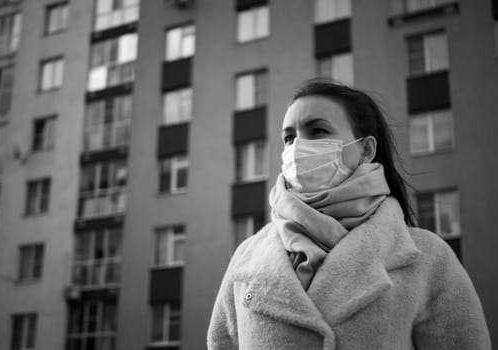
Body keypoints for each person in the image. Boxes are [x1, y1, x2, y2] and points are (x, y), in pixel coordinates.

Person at [207, 80, 491, 349]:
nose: (297, 148)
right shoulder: (247, 259)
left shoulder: (428, 258)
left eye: (318, 131)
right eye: (289, 137)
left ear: (366, 150)